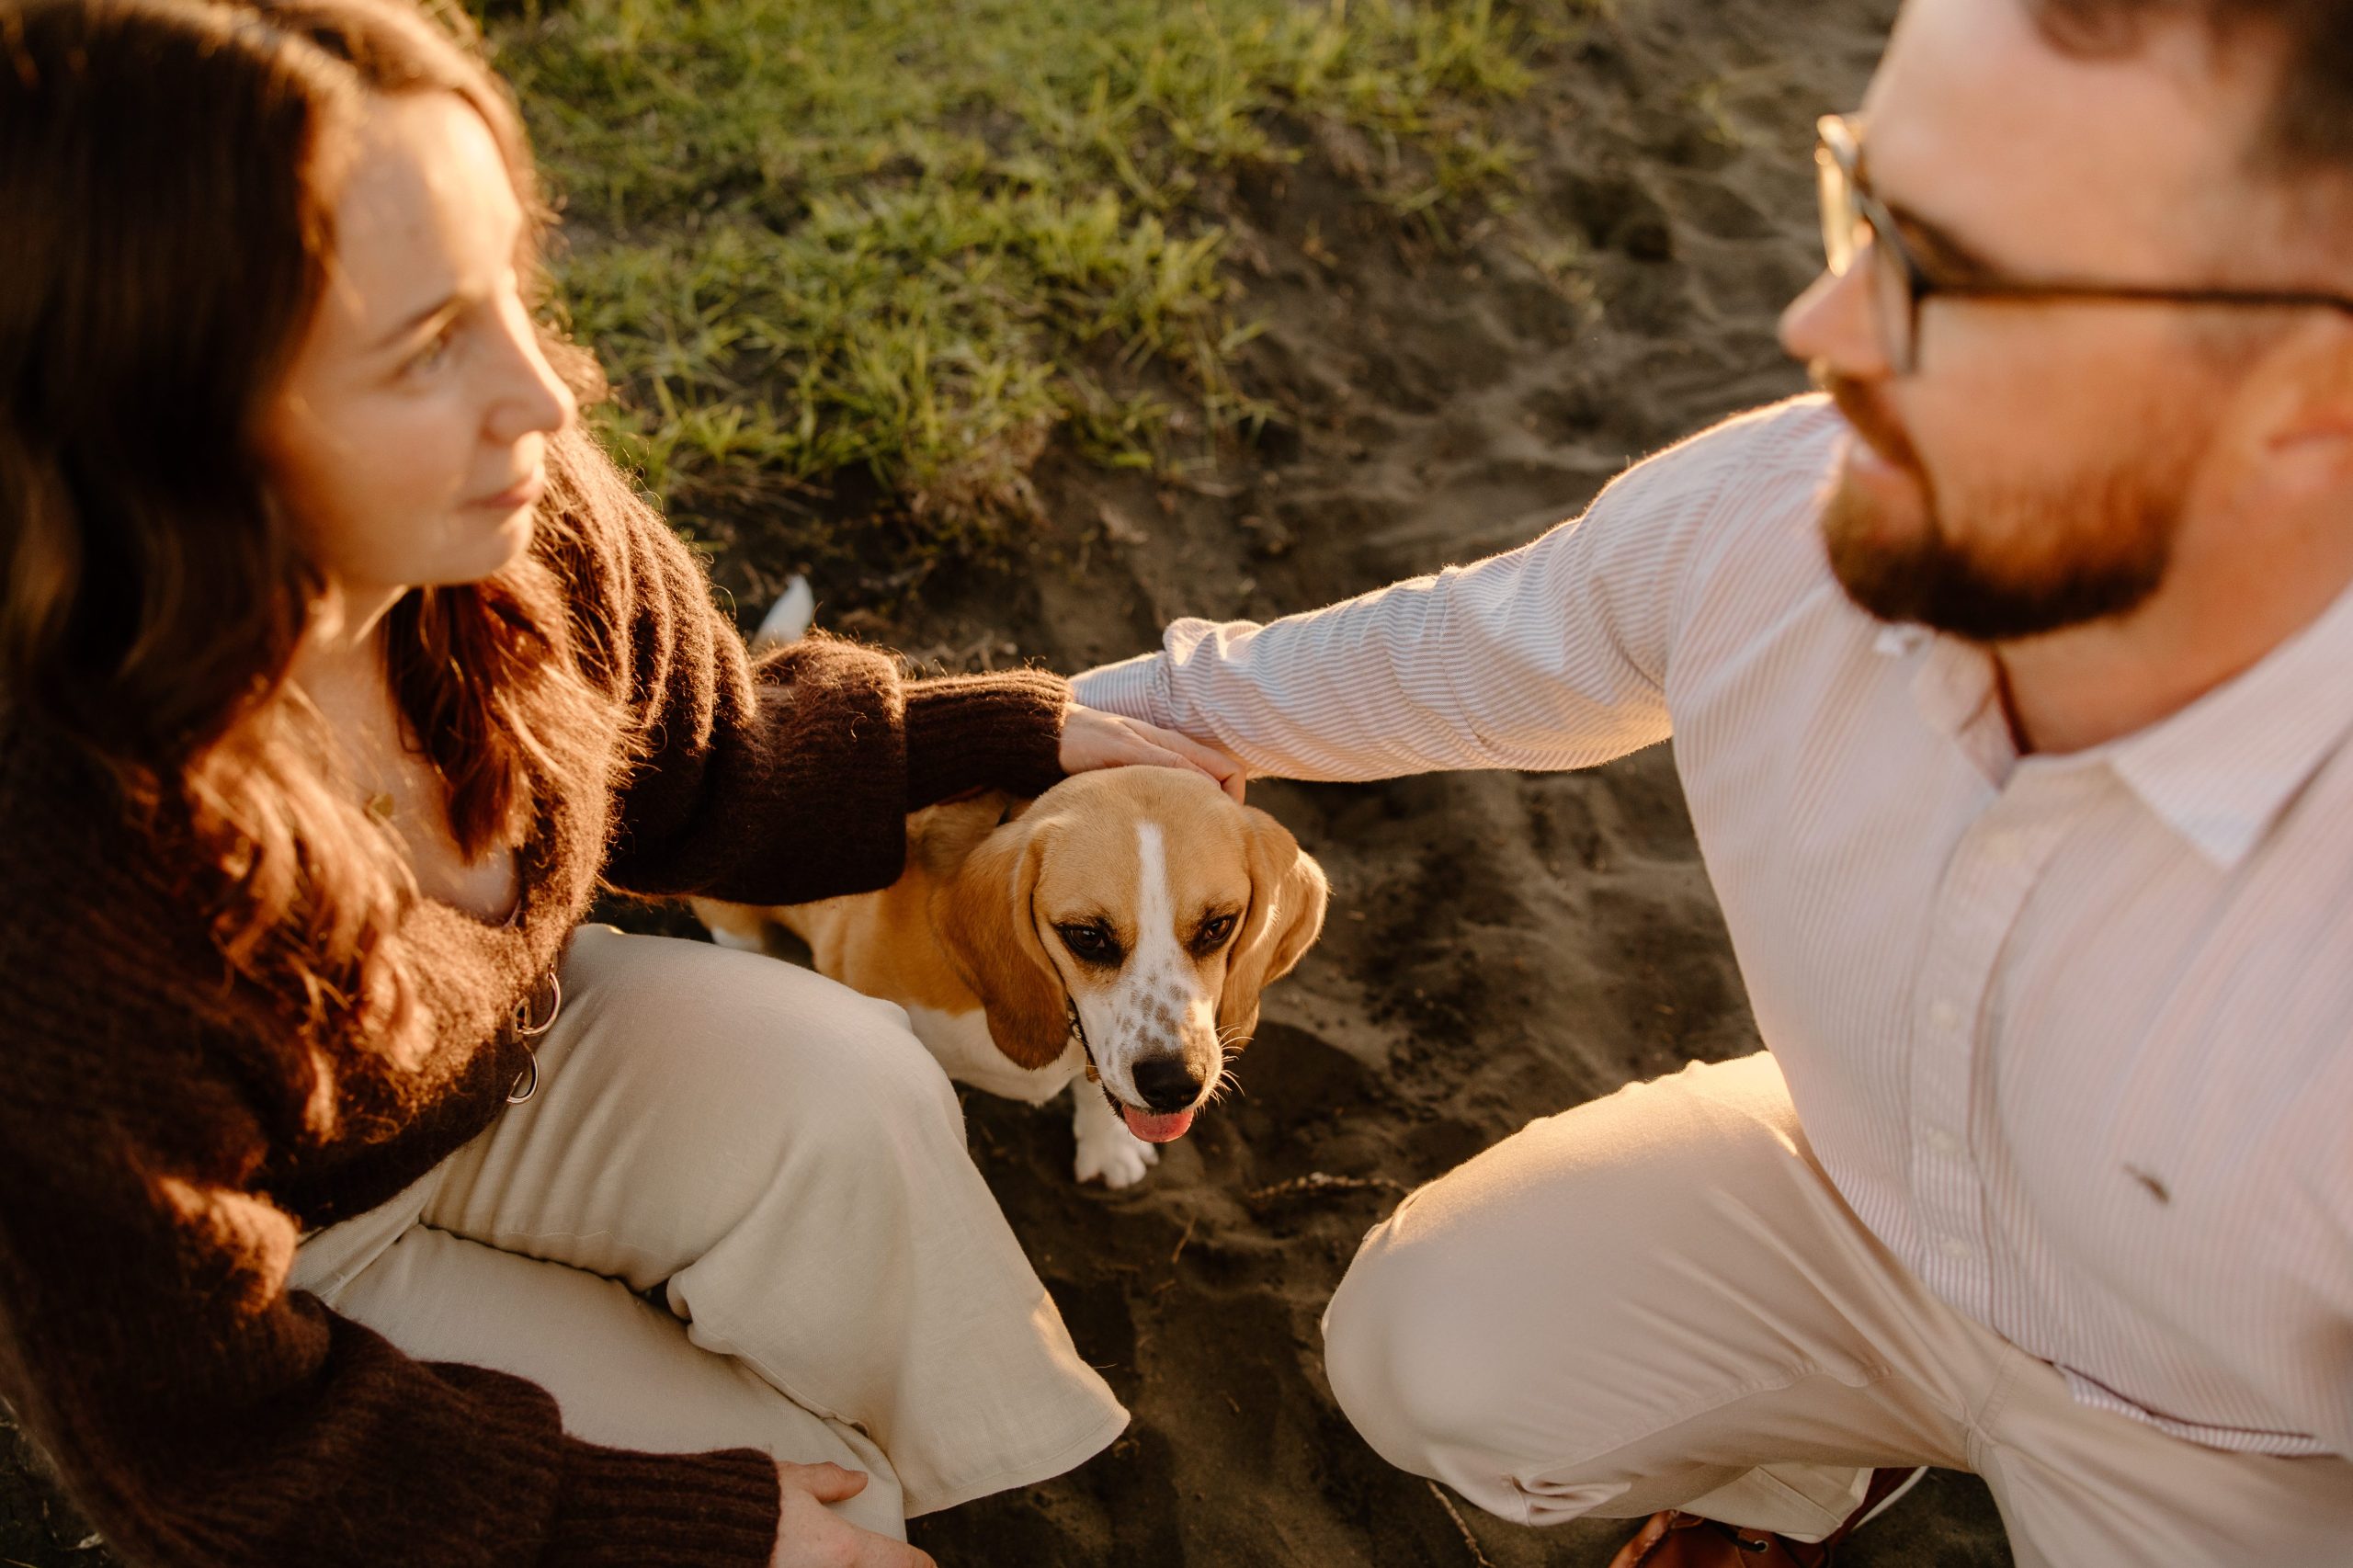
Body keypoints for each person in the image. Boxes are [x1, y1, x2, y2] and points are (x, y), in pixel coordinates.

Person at [1070, 0, 2353, 1562]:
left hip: (2237, 1442)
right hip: (1867, 1207)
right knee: (1431, 1351)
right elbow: (1447, 653)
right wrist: (1021, 729)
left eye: (1954, 275)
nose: (1822, 323)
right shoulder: (1775, 510)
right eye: (1865, 201)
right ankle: (1803, 1468)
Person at [0, 2, 1243, 1564]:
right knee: (797, 1515)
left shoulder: (510, 531)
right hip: (296, 1260)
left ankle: (925, 1476)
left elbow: (718, 763)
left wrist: (1027, 736)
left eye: (506, 286)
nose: (548, 396)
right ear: (177, 426)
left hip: (512, 1049)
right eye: (426, 342)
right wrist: (694, 1523)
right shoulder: (64, 905)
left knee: (862, 1095)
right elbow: (212, 1449)